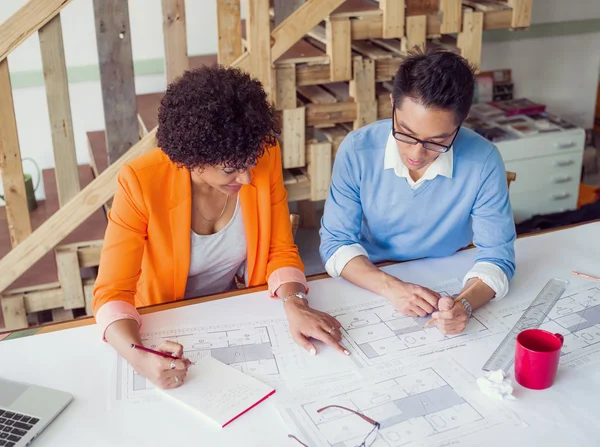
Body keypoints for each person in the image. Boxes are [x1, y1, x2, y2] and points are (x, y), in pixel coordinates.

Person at [92, 66, 347, 390]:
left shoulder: (261, 157)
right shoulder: (141, 182)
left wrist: (294, 301)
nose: (247, 178)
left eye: (249, 163)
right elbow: (111, 293)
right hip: (161, 324)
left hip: (234, 312)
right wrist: (138, 355)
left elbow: (279, 250)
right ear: (192, 159)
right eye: (231, 170)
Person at [319, 49, 516, 335]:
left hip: (450, 270)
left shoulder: (483, 160)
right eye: (405, 133)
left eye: (437, 141)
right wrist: (392, 287)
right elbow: (336, 242)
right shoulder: (358, 149)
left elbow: (497, 256)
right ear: (392, 103)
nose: (416, 153)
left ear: (462, 120)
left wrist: (465, 305)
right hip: (370, 275)